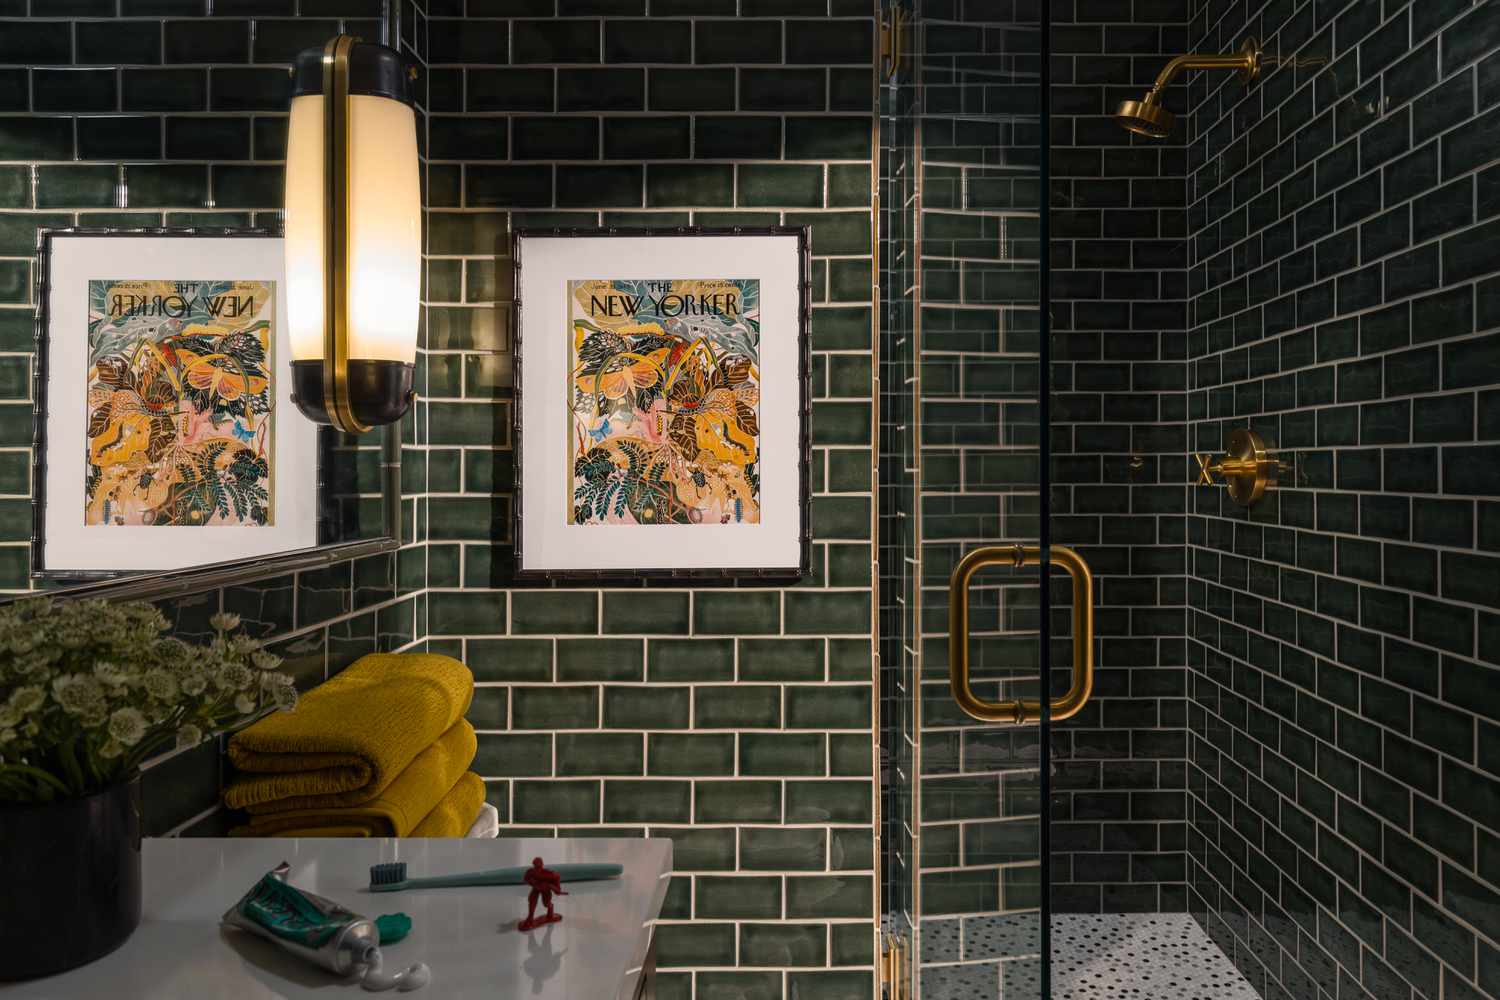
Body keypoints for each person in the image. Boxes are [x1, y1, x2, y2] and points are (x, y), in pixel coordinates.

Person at [518, 857, 566, 931]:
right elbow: (526, 879)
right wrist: (532, 882)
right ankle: (530, 917)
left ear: (542, 865)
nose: (537, 869)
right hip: (536, 889)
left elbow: (557, 877)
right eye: (535, 866)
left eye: (539, 866)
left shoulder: (549, 873)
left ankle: (550, 912)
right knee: (532, 901)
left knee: (546, 903)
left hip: (545, 890)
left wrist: (556, 889)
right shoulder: (531, 872)